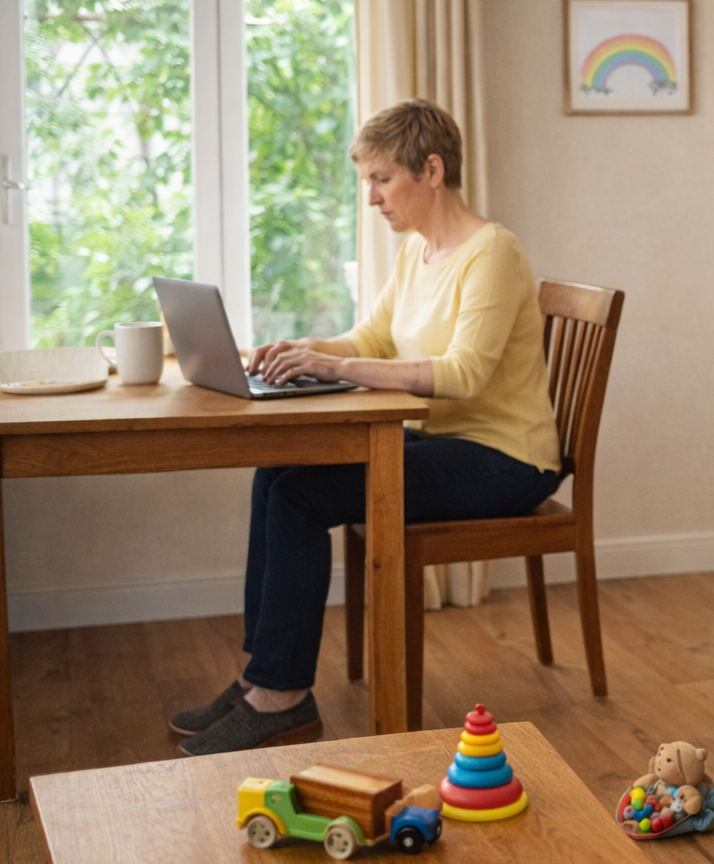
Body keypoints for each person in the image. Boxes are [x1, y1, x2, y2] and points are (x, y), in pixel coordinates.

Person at [169, 99, 563, 755]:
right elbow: (372, 338)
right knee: (278, 471)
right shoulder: (418, 253)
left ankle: (282, 698)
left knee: (299, 498)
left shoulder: (492, 252)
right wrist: (304, 349)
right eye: (367, 181)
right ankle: (261, 677)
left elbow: (464, 374)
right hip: (442, 443)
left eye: (381, 179)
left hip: (506, 460)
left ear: (431, 170)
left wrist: (337, 366)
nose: (372, 196)